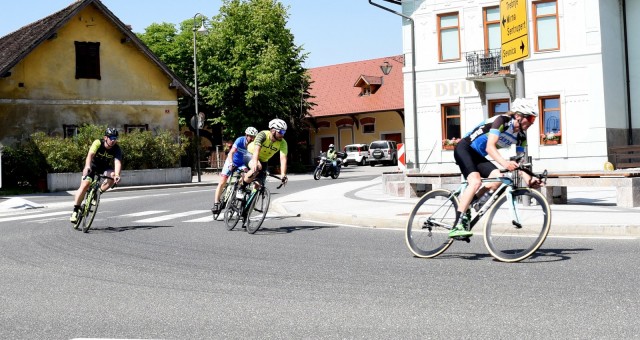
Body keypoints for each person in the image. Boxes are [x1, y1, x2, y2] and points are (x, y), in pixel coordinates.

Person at [449, 98, 542, 238]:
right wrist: (505, 163)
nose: (531, 122)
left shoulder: (521, 136)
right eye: (530, 118)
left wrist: (528, 178)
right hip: (464, 148)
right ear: (518, 116)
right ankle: (457, 225)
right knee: (475, 181)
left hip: (478, 156)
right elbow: (490, 147)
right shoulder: (502, 121)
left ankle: (470, 203)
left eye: (533, 119)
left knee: (499, 179)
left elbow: (519, 161)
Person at [70, 127, 123, 223]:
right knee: (85, 185)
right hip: (92, 166)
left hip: (104, 168)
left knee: (112, 177)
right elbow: (90, 155)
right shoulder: (98, 143)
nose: (113, 140)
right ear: (105, 138)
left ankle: (98, 192)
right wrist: (87, 166)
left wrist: (117, 175)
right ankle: (75, 210)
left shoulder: (116, 149)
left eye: (115, 138)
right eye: (111, 138)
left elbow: (117, 162)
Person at [211, 126, 258, 214]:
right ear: (246, 135)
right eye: (250, 136)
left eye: (254, 137)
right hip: (231, 161)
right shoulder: (240, 140)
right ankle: (216, 203)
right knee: (222, 182)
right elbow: (231, 153)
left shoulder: (254, 145)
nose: (252, 138)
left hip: (242, 164)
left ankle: (236, 192)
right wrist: (231, 163)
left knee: (245, 177)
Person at [239, 118, 289, 194]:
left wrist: (283, 174)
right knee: (257, 167)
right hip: (251, 154)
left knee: (259, 184)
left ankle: (249, 204)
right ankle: (241, 188)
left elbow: (283, 159)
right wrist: (255, 162)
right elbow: (257, 150)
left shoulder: (283, 143)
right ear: (273, 130)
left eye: (284, 132)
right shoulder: (263, 135)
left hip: (264, 161)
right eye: (281, 131)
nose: (282, 134)